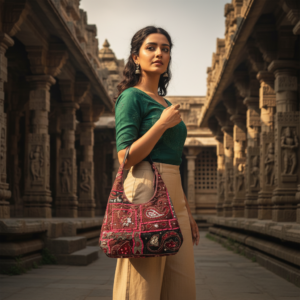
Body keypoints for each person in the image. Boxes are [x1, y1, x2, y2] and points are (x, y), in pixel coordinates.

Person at [113, 26, 199, 300]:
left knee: (181, 285)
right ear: (136, 57)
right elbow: (125, 157)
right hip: (145, 186)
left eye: (165, 48)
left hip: (173, 190)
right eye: (151, 47)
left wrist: (185, 208)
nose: (159, 53)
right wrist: (161, 125)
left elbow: (172, 159)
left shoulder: (165, 102)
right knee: (142, 287)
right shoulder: (131, 97)